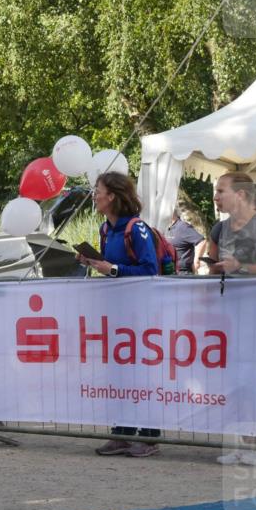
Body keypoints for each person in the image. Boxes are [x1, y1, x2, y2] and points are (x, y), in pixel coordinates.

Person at [204, 173, 256, 467]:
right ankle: (244, 443)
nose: (216, 196)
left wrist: (242, 266)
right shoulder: (221, 227)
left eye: (220, 190)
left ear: (240, 194)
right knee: (239, 380)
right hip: (235, 312)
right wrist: (216, 270)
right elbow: (219, 264)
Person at [76, 171, 161, 458]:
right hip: (117, 313)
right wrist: (93, 261)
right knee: (119, 372)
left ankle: (149, 437)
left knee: (142, 374)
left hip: (141, 313)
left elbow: (150, 270)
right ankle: (122, 433)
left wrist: (112, 269)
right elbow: (110, 265)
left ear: (111, 196)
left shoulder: (136, 228)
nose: (94, 195)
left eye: (98, 190)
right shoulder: (104, 230)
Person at [166, 209, 205, 274]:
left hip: (183, 274)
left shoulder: (182, 227)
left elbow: (201, 242)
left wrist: (196, 262)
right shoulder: (165, 227)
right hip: (168, 271)